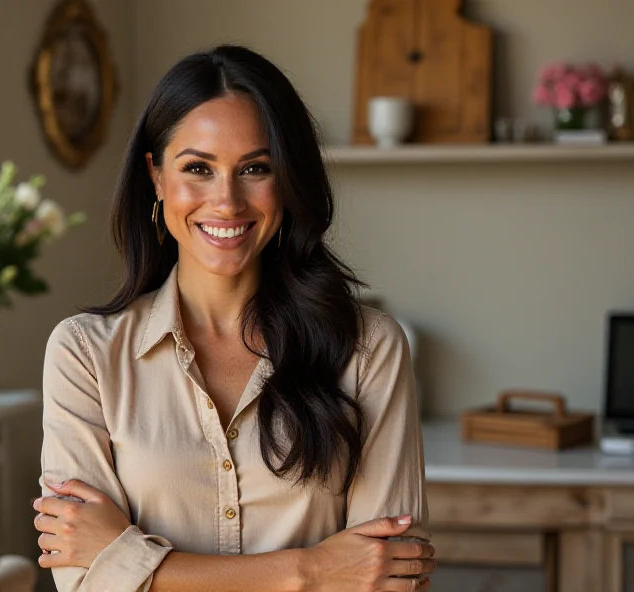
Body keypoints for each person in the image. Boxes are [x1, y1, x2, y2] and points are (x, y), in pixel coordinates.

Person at [32, 44, 435, 592]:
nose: (227, 202)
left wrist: (131, 561)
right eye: (197, 168)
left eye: (255, 168)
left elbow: (387, 580)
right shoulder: (85, 354)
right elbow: (83, 579)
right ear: (155, 176)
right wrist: (311, 570)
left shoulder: (369, 348)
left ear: (288, 181)